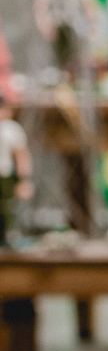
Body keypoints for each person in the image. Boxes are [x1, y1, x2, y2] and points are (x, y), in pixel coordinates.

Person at [0, 96, 33, 245]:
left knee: (7, 208)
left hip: (5, 175)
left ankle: (9, 237)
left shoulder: (10, 129)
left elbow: (21, 155)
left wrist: (24, 180)